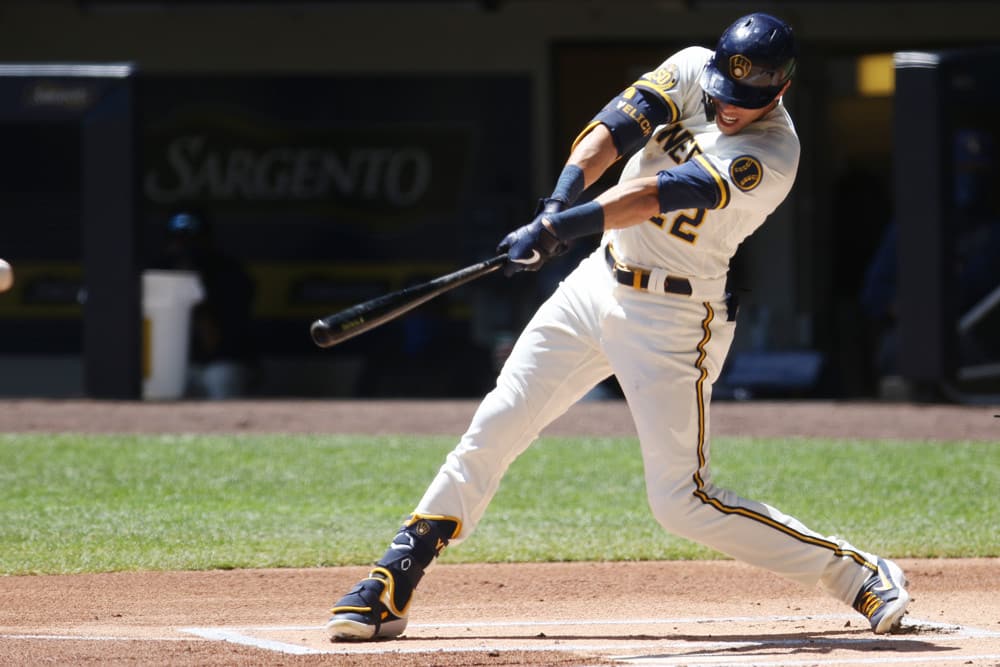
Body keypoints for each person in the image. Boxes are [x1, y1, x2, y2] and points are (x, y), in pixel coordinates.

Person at [327, 13, 910, 641]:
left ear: (781, 92)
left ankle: (856, 572)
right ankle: (396, 574)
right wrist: (555, 206)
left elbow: (654, 194)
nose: (727, 107)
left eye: (748, 99)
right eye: (723, 92)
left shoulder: (772, 155)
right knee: (498, 420)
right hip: (597, 280)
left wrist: (556, 230)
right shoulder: (691, 68)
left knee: (681, 502)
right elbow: (614, 128)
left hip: (676, 319)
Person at [154, 211, 257, 399]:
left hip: (223, 361)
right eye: (179, 240)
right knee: (165, 381)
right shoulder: (159, 271)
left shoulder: (228, 273)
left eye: (191, 240)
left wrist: (198, 298)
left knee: (220, 378)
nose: (183, 247)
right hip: (181, 363)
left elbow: (223, 334)